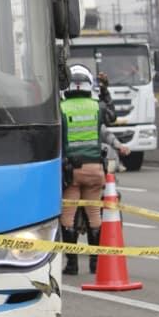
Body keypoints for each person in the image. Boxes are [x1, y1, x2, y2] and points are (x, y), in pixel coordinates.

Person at [60, 66, 129, 275]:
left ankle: (71, 264)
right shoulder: (96, 107)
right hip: (95, 170)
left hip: (72, 172)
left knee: (67, 217)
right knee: (94, 216)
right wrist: (106, 92)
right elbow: (111, 117)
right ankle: (95, 263)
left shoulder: (61, 107)